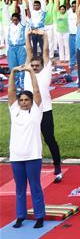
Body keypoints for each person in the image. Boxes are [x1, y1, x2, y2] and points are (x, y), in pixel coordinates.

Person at [8, 63, 45, 229]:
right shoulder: (14, 110)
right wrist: (13, 72)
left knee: (35, 187)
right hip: (16, 156)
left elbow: (37, 91)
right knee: (20, 188)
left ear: (31, 101)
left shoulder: (36, 111)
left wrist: (30, 72)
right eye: (21, 100)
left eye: (26, 100)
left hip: (33, 156)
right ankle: (20, 216)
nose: (23, 102)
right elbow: (11, 92)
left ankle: (39, 216)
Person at [24, 29, 62, 182]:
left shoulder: (46, 70)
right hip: (29, 111)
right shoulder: (28, 70)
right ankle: (30, 167)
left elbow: (45, 51)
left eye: (36, 65)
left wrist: (45, 35)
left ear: (42, 65)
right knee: (30, 139)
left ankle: (57, 165)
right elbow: (29, 50)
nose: (34, 67)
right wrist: (27, 35)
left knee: (49, 139)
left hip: (45, 110)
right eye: (32, 65)